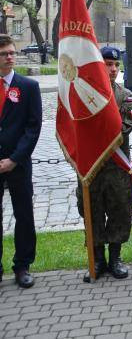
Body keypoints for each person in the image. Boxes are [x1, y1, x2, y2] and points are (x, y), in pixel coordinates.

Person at [77, 46, 132, 281]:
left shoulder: (126, 96)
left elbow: (123, 129)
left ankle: (115, 258)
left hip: (116, 166)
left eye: (116, 66)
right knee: (91, 211)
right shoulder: (82, 97)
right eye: (107, 65)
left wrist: (96, 131)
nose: (112, 70)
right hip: (91, 167)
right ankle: (98, 259)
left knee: (118, 210)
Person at [0, 35, 42, 288]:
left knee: (24, 215)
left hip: (19, 163)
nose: (9, 57)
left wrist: (14, 158)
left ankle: (23, 265)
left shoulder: (28, 87)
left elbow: (33, 127)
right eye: (4, 53)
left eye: (12, 53)